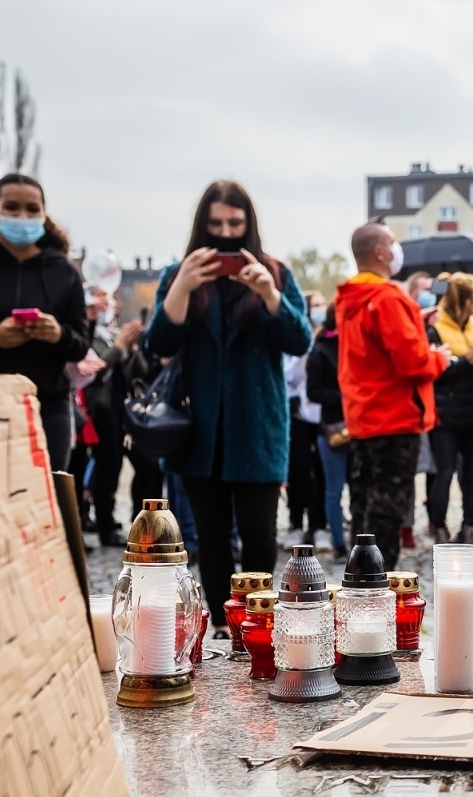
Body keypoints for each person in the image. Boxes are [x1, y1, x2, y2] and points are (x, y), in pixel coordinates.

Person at [144, 180, 313, 628]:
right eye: (215, 223)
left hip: (258, 424)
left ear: (248, 224)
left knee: (259, 532)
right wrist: (181, 287)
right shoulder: (178, 274)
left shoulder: (274, 272)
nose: (224, 233)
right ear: (203, 225)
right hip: (198, 427)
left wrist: (269, 295)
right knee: (209, 535)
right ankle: (220, 623)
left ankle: (257, 623)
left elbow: (300, 341)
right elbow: (158, 342)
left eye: (234, 224)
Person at [335, 223, 450, 569]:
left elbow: (375, 349)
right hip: (395, 418)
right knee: (386, 511)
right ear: (381, 253)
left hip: (364, 417)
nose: (397, 249)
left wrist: (415, 319)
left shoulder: (351, 299)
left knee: (363, 506)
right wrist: (441, 357)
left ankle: (358, 580)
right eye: (392, 243)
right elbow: (413, 363)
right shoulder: (388, 297)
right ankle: (377, 587)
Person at [0, 173, 93, 472]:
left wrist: (57, 334)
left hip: (47, 406)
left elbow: (80, 346)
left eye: (32, 209)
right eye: (11, 207)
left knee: (48, 500)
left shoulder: (64, 273)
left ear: (43, 213)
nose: (22, 216)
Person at [83, 287, 161, 547]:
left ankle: (144, 522)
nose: (108, 309)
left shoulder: (115, 335)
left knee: (147, 464)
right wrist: (118, 346)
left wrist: (133, 346)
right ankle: (106, 525)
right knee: (109, 466)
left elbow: (140, 370)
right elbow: (96, 370)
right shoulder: (90, 335)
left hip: (126, 409)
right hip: (103, 410)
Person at [429, 273, 473, 545]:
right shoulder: (436, 328)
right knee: (444, 473)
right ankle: (439, 528)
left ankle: (472, 529)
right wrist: (465, 362)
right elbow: (437, 372)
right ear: (466, 301)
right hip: (446, 414)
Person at [284, 289, 329, 551]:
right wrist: (305, 352)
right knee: (298, 471)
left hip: (322, 415)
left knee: (321, 473)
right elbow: (290, 377)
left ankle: (319, 524)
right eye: (315, 305)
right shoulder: (297, 340)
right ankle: (295, 524)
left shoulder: (328, 339)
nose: (320, 310)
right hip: (300, 415)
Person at [304, 299, 348, 562]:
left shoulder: (356, 346)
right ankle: (339, 544)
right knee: (334, 488)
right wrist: (343, 395)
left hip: (360, 425)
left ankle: (361, 542)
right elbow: (313, 392)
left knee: (360, 489)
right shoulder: (320, 351)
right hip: (333, 429)